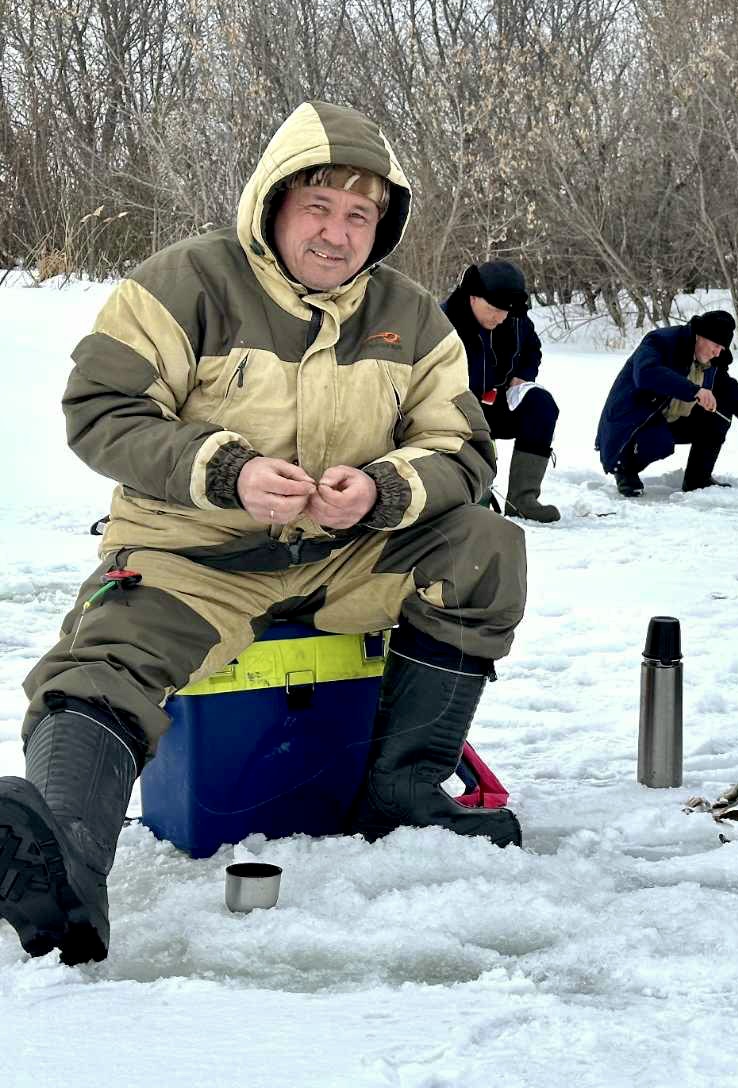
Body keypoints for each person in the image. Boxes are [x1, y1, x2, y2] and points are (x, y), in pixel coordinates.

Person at [0, 101, 528, 966]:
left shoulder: (413, 318)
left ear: (382, 227)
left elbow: (463, 448)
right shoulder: (183, 284)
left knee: (484, 545)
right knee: (107, 656)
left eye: (361, 215)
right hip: (196, 555)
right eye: (318, 206)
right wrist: (226, 470)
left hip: (350, 554)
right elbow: (101, 411)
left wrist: (386, 489)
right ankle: (64, 854)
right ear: (272, 204)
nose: (337, 232)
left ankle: (399, 793)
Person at [595, 310, 738, 497]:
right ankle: (624, 468)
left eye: (722, 348)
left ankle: (698, 480)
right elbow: (646, 374)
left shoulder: (710, 365)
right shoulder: (660, 342)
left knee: (719, 414)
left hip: (667, 419)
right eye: (716, 345)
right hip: (629, 422)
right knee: (658, 441)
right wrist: (694, 390)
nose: (717, 352)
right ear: (700, 336)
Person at [442, 261, 561, 523]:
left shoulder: (515, 317)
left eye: (506, 311)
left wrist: (522, 377)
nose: (500, 317)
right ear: (473, 296)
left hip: (498, 401)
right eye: (493, 309)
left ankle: (523, 500)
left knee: (541, 405)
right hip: (452, 408)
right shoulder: (442, 321)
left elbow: (532, 349)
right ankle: (470, 495)